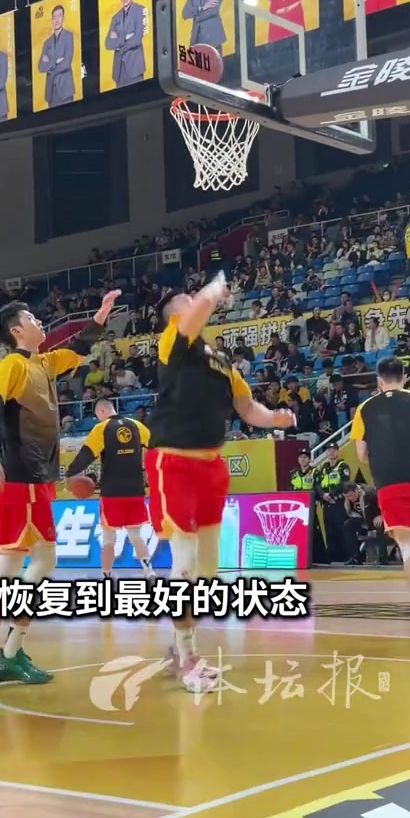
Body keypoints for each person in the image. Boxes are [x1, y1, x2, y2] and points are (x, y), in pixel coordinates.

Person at [145, 274, 294, 693]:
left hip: (211, 464)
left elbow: (246, 407)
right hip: (173, 460)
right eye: (186, 299)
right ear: (175, 313)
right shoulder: (173, 342)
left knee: (208, 572)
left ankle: (179, 646)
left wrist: (276, 417)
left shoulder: (220, 359)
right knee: (185, 562)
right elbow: (197, 312)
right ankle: (187, 656)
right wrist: (212, 290)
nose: (193, 300)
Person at [0, 290, 121, 684]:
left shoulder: (44, 363)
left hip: (36, 477)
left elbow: (80, 348)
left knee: (18, 564)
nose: (39, 322)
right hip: (18, 475)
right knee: (33, 562)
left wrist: (101, 317)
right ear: (17, 331)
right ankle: (8, 649)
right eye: (32, 319)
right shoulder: (12, 365)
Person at [351, 356, 410, 637]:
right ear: (404, 377)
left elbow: (361, 454)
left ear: (379, 381)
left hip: (389, 481)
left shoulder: (364, 408)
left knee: (408, 548)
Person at [66, 398, 153, 580]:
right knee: (136, 535)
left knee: (108, 539)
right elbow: (155, 446)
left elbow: (86, 455)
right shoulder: (137, 425)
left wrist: (70, 473)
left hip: (112, 492)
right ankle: (148, 570)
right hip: (136, 489)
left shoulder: (102, 428)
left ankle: (107, 575)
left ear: (102, 412)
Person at [315, 441, 351, 562]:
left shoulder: (342, 466)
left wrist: (331, 494)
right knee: (329, 530)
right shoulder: (323, 468)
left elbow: (344, 482)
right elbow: (318, 484)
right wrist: (323, 495)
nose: (331, 452)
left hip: (338, 503)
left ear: (338, 452)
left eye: (334, 450)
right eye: (329, 450)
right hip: (326, 504)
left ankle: (345, 556)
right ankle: (333, 556)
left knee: (342, 529)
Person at [104, 0, 146, 87]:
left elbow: (137, 39)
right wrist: (124, 38)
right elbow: (108, 43)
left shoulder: (140, 10)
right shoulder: (115, 17)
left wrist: (119, 44)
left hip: (135, 68)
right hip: (119, 71)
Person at [38, 4, 75, 107]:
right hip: (51, 92)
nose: (57, 20)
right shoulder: (47, 43)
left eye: (59, 16)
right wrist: (55, 61)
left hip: (65, 90)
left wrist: (50, 66)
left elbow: (66, 63)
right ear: (52, 20)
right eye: (54, 17)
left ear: (63, 18)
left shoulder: (68, 36)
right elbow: (41, 67)